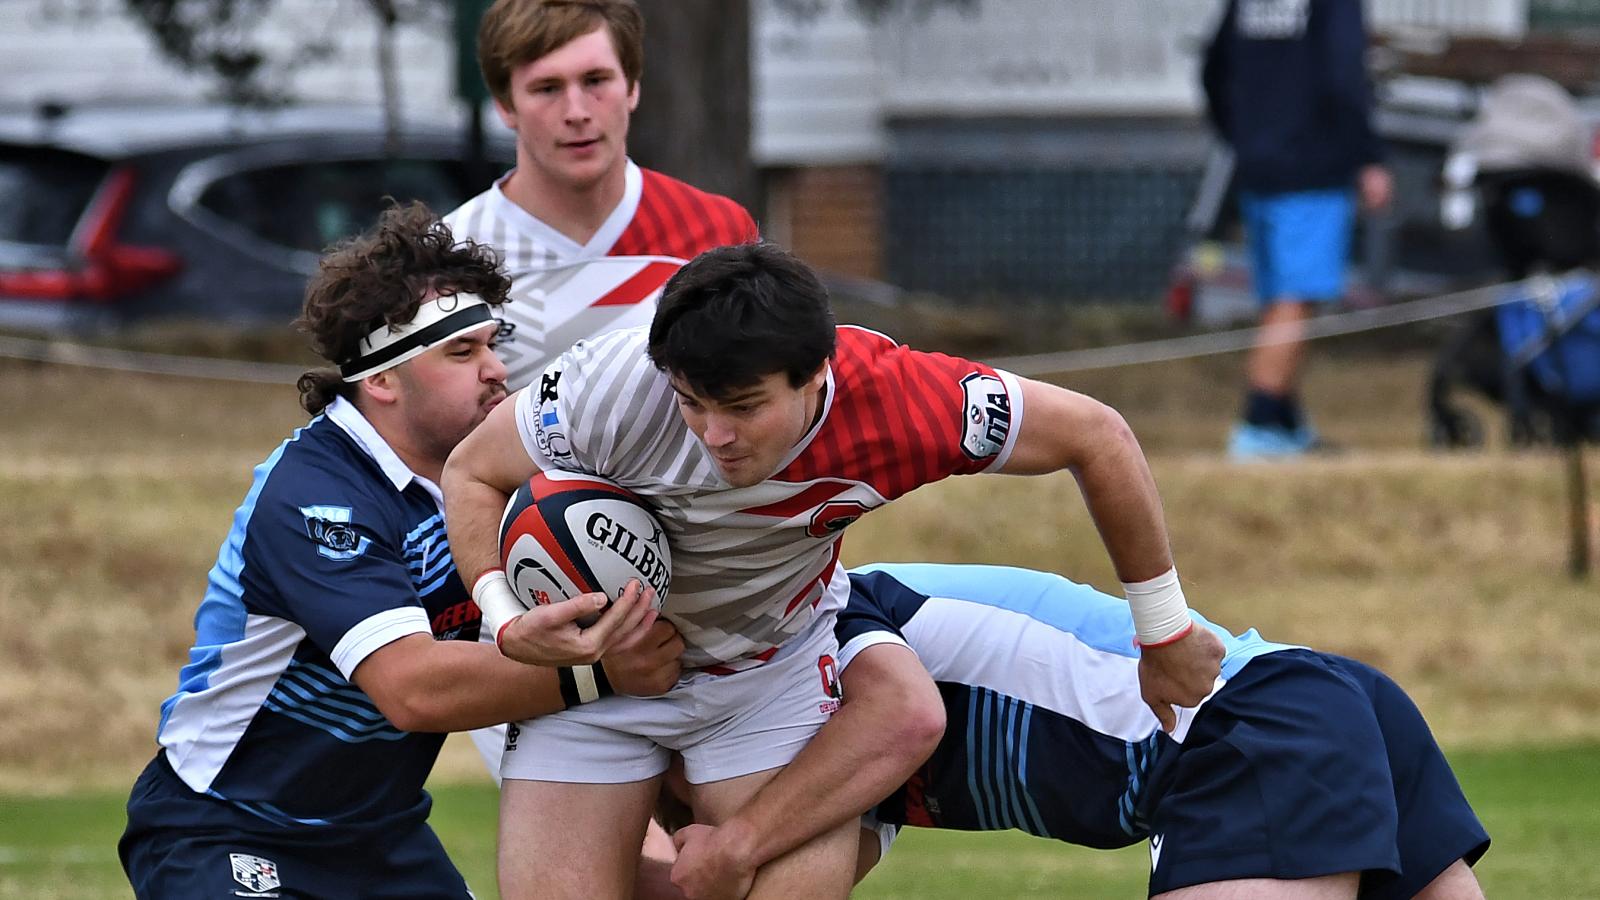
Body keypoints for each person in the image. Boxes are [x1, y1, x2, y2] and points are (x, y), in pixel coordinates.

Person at [441, 241, 1226, 899]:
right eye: (691, 403)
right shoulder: (610, 385)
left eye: (744, 407)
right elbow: (471, 473)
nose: (714, 435)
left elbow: (1097, 434)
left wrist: (1163, 630)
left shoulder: (907, 402)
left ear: (818, 371)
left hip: (767, 674)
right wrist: (505, 617)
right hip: (605, 680)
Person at [117, 203, 682, 899]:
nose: (497, 371)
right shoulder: (316, 496)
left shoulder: (493, 485)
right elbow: (411, 689)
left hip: (379, 837)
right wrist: (601, 672)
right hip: (228, 828)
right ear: (381, 379)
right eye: (462, 352)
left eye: (493, 344)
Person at [670, 563, 1491, 900]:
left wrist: (735, 841)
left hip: (1242, 722)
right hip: (1304, 698)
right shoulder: (818, 777)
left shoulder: (820, 614)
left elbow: (905, 720)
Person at [444, 0, 758, 393]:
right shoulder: (449, 254)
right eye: (547, 88)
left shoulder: (718, 230)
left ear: (632, 86)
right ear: (506, 105)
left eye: (595, 80)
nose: (576, 111)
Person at [1201, 0, 1394, 459]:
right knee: (1295, 298)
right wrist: (1367, 155)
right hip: (1314, 165)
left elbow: (1212, 68)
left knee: (1278, 300)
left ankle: (1287, 423)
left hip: (1258, 165)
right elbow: (1344, 73)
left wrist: (1241, 135)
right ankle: (1259, 425)